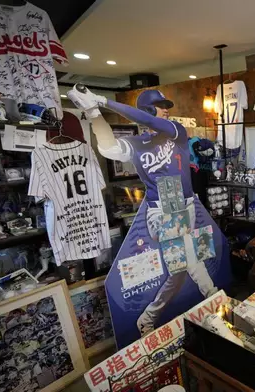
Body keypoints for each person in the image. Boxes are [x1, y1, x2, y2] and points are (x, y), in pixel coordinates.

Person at [67, 84, 222, 335]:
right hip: (161, 210)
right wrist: (95, 113)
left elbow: (151, 122)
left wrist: (103, 101)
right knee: (190, 258)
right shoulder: (137, 143)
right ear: (150, 109)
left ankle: (148, 317)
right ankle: (216, 301)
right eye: (161, 107)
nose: (166, 111)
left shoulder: (176, 133)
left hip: (187, 205)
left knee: (180, 270)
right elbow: (108, 149)